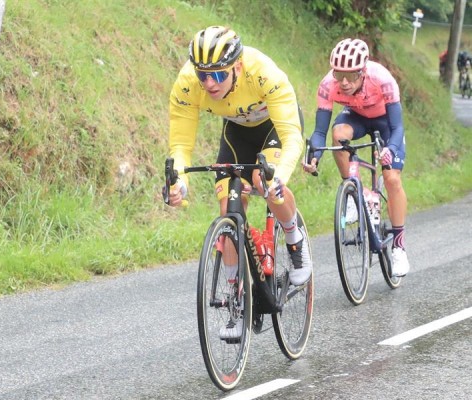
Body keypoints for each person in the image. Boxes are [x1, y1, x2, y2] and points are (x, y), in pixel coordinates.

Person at [166, 26, 312, 339]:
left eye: (218, 75)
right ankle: (236, 300)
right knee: (228, 209)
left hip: (274, 126)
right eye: (203, 74)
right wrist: (179, 182)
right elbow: (180, 145)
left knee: (264, 180)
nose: (209, 83)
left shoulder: (262, 73)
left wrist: (279, 177)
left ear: (238, 66)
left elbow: (292, 141)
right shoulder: (189, 84)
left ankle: (293, 237)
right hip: (236, 134)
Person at [302, 38, 410, 277]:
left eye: (351, 76)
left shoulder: (382, 79)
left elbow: (398, 127)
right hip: (356, 117)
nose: (344, 82)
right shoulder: (328, 85)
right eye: (339, 74)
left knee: (392, 178)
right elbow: (320, 132)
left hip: (386, 122)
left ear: (363, 71)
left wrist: (390, 149)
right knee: (338, 134)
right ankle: (353, 192)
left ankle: (399, 246)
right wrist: (314, 156)